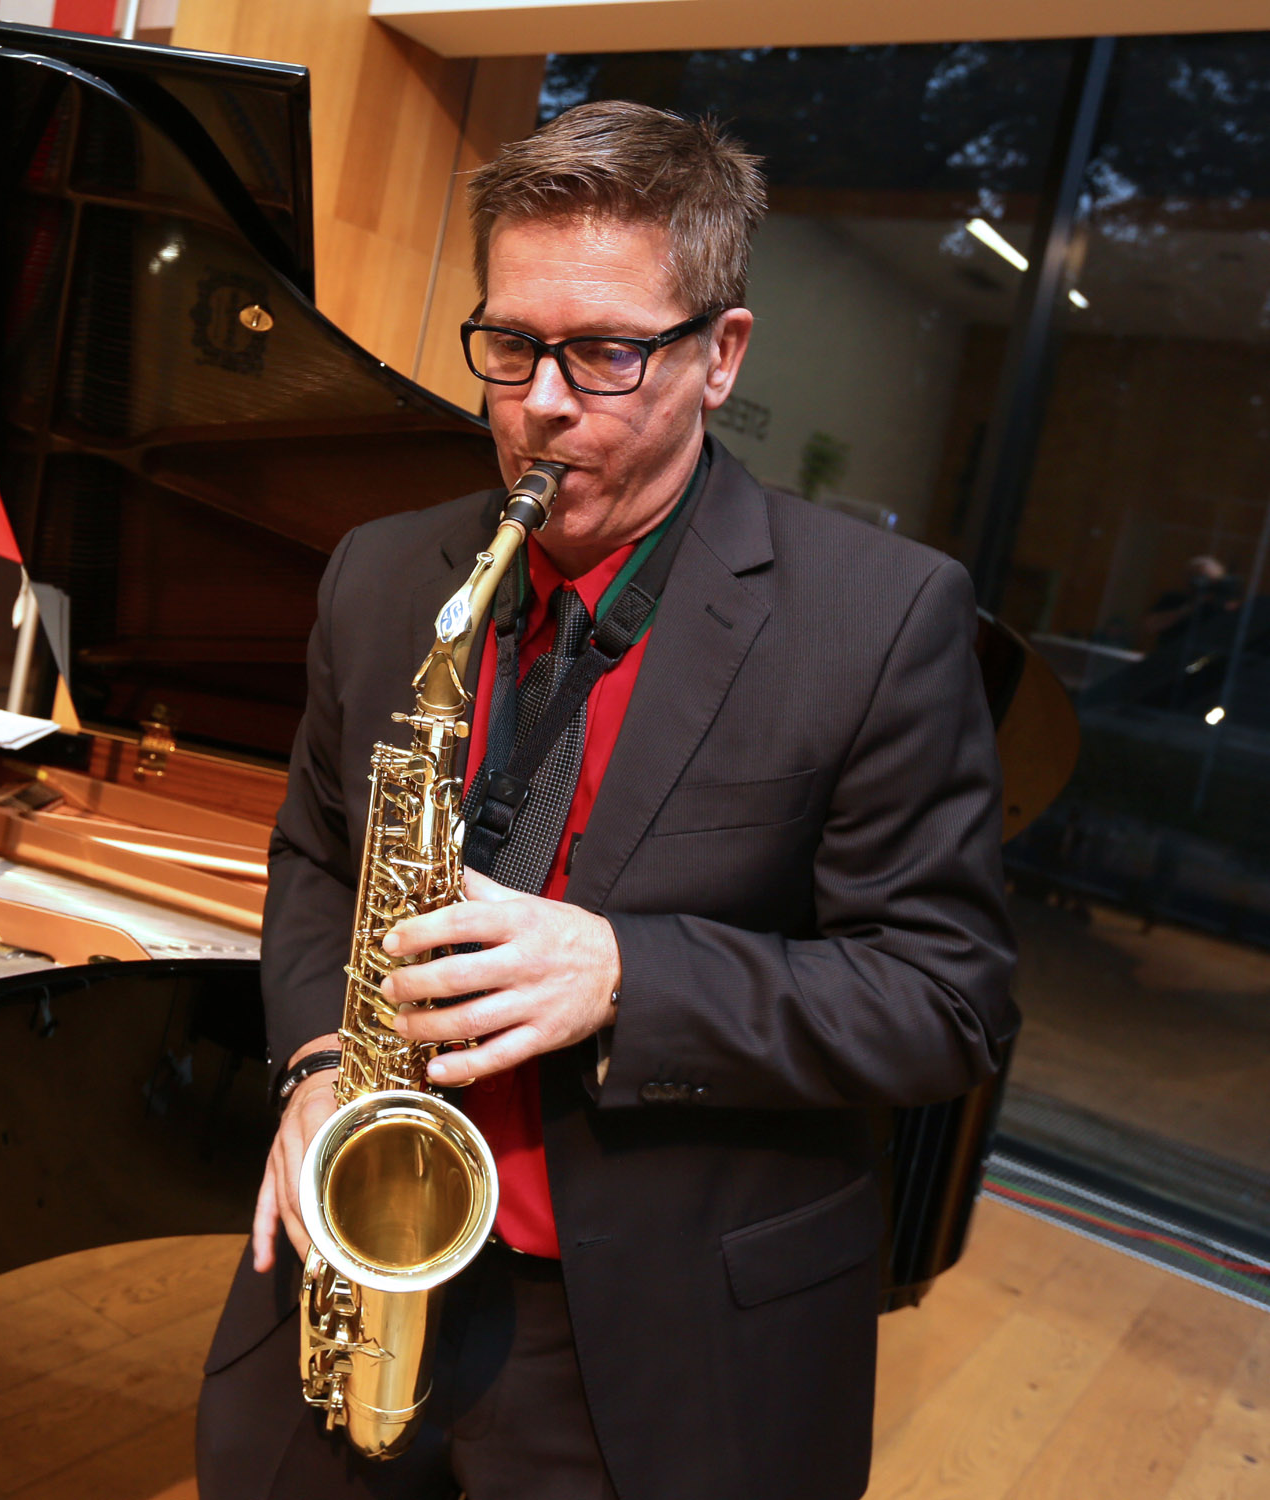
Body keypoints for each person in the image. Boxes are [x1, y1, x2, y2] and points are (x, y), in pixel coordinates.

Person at [196, 102, 1016, 1500]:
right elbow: (319, 858)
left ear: (721, 355)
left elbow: (948, 999)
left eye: (607, 353)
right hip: (363, 1266)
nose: (543, 404)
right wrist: (320, 1063)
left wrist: (630, 974)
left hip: (659, 1339)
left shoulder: (878, 620)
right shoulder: (384, 575)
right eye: (510, 345)